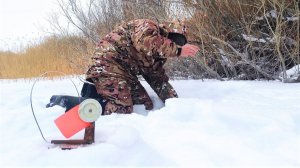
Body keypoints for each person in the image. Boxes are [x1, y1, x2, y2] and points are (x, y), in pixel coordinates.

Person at [85, 19, 200, 115]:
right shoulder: (148, 26)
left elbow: (158, 79)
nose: (174, 43)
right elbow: (145, 42)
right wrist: (178, 51)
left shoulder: (156, 55)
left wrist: (175, 103)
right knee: (122, 108)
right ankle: (84, 106)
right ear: (167, 33)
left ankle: (97, 92)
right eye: (174, 39)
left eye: (178, 42)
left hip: (124, 73)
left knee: (144, 105)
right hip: (106, 66)